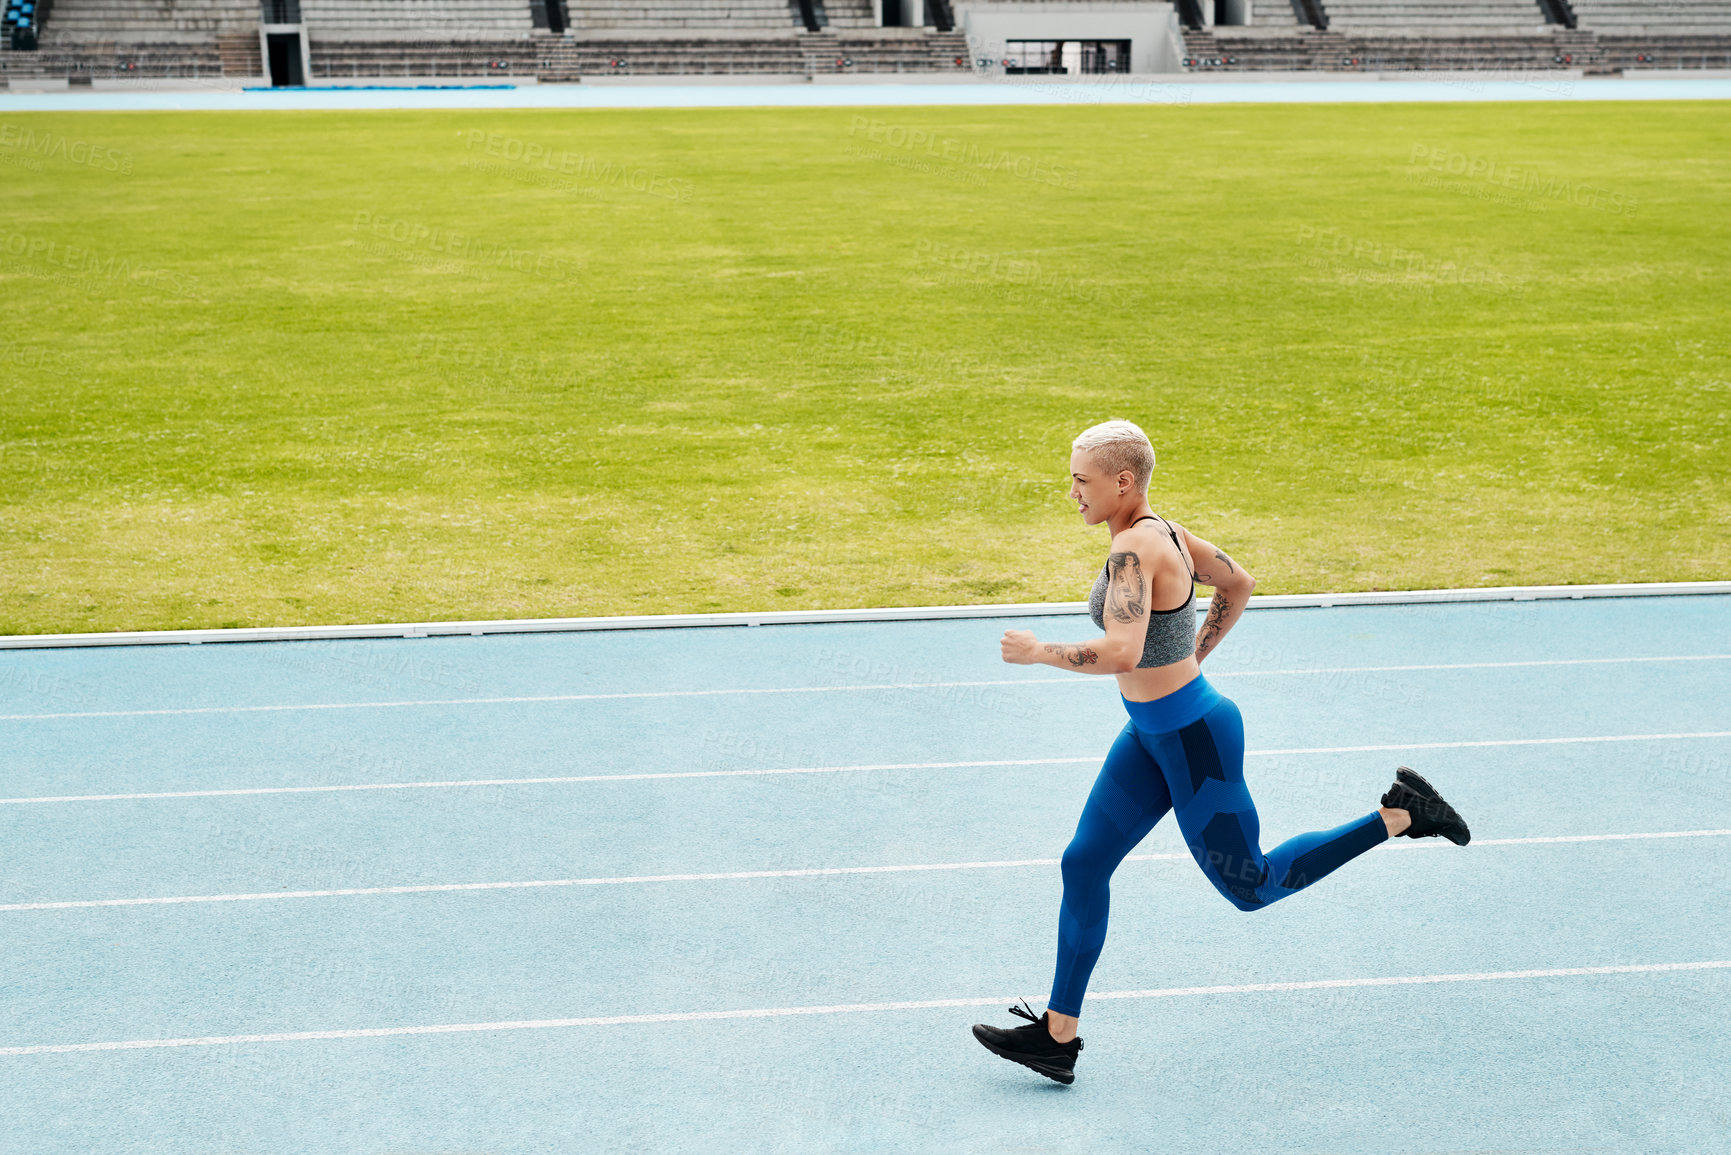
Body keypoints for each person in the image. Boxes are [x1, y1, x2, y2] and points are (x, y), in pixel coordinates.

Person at [971, 419, 1470, 1086]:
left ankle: (1402, 814)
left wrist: (1039, 652)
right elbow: (1238, 583)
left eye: (1080, 481)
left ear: (1122, 481)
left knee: (1252, 885)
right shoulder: (1164, 533)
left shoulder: (1132, 553)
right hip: (1154, 732)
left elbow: (1121, 650)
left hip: (1193, 740)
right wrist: (1189, 659)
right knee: (1083, 861)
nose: (1071, 494)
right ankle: (1057, 1036)